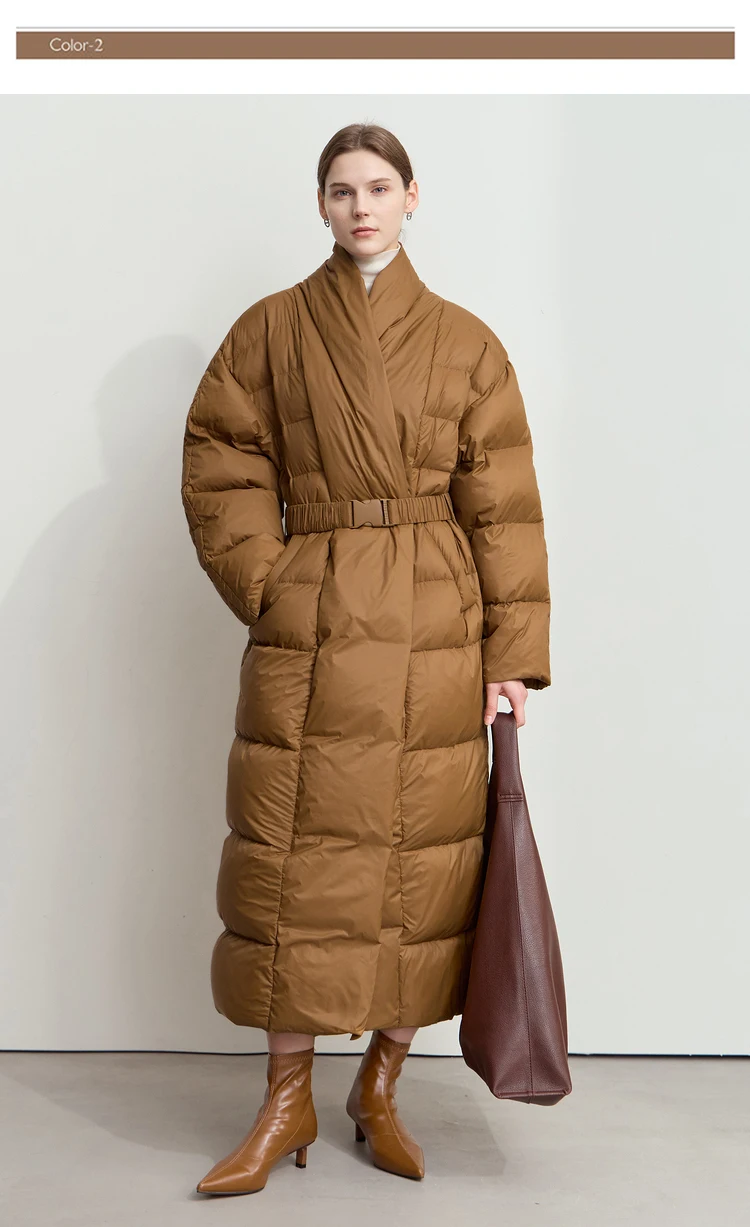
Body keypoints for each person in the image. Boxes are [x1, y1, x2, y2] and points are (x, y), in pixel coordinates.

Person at [181, 122, 551, 1195]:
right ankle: (283, 1099)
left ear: (412, 197)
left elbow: (505, 510)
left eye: (379, 188)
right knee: (297, 867)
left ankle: (380, 1088)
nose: (361, 208)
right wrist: (274, 582)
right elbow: (220, 457)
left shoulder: (466, 341)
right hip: (316, 624)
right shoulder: (272, 329)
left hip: (436, 624)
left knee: (419, 867)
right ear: (321, 204)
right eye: (341, 191)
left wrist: (512, 657)